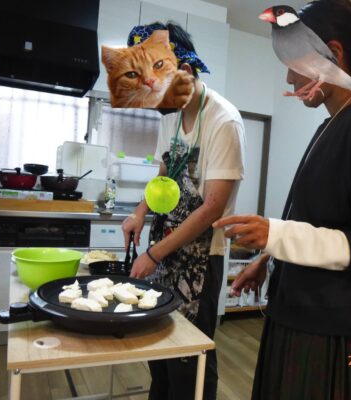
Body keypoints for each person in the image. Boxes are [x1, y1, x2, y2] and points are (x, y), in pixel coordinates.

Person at [213, 1, 351, 399]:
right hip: (295, 315)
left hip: (336, 336)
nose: (289, 77)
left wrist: (277, 235)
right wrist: (270, 259)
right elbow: (318, 219)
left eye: (294, 62)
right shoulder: (333, 124)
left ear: (334, 53)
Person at [121, 22, 246, 400]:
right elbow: (164, 173)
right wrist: (140, 211)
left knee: (190, 359)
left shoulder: (223, 121)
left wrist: (153, 254)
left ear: (185, 72)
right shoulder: (172, 115)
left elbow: (212, 208)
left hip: (200, 259)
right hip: (164, 249)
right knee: (159, 351)